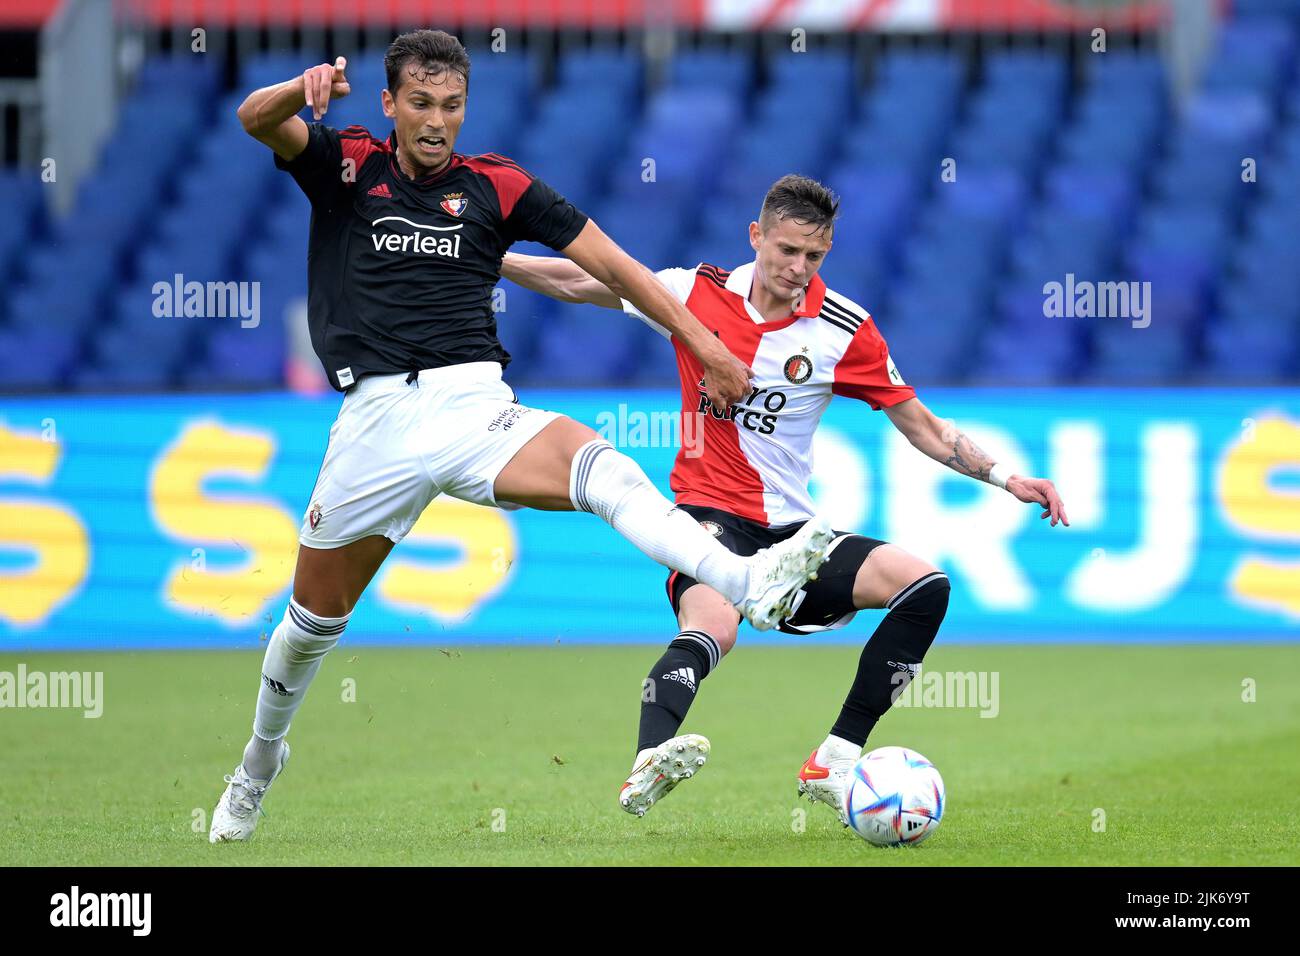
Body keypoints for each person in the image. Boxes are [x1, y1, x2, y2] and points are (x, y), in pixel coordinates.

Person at [209, 32, 835, 843]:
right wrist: (302, 86)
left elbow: (615, 266)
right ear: (391, 103)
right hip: (372, 424)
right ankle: (260, 760)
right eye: (423, 104)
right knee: (310, 626)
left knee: (601, 468)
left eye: (453, 106)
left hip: (473, 407)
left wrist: (702, 340)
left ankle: (747, 582)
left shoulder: (498, 186)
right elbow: (255, 118)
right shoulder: (348, 163)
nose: (438, 122)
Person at [501, 173, 1069, 819]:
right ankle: (648, 761)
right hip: (709, 516)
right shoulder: (693, 292)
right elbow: (579, 282)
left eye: (814, 256)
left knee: (924, 586)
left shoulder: (843, 328)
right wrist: (492, 255)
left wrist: (1003, 477)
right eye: (787, 251)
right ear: (757, 237)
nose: (799, 268)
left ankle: (836, 757)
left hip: (796, 536)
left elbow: (925, 429)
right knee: (713, 623)